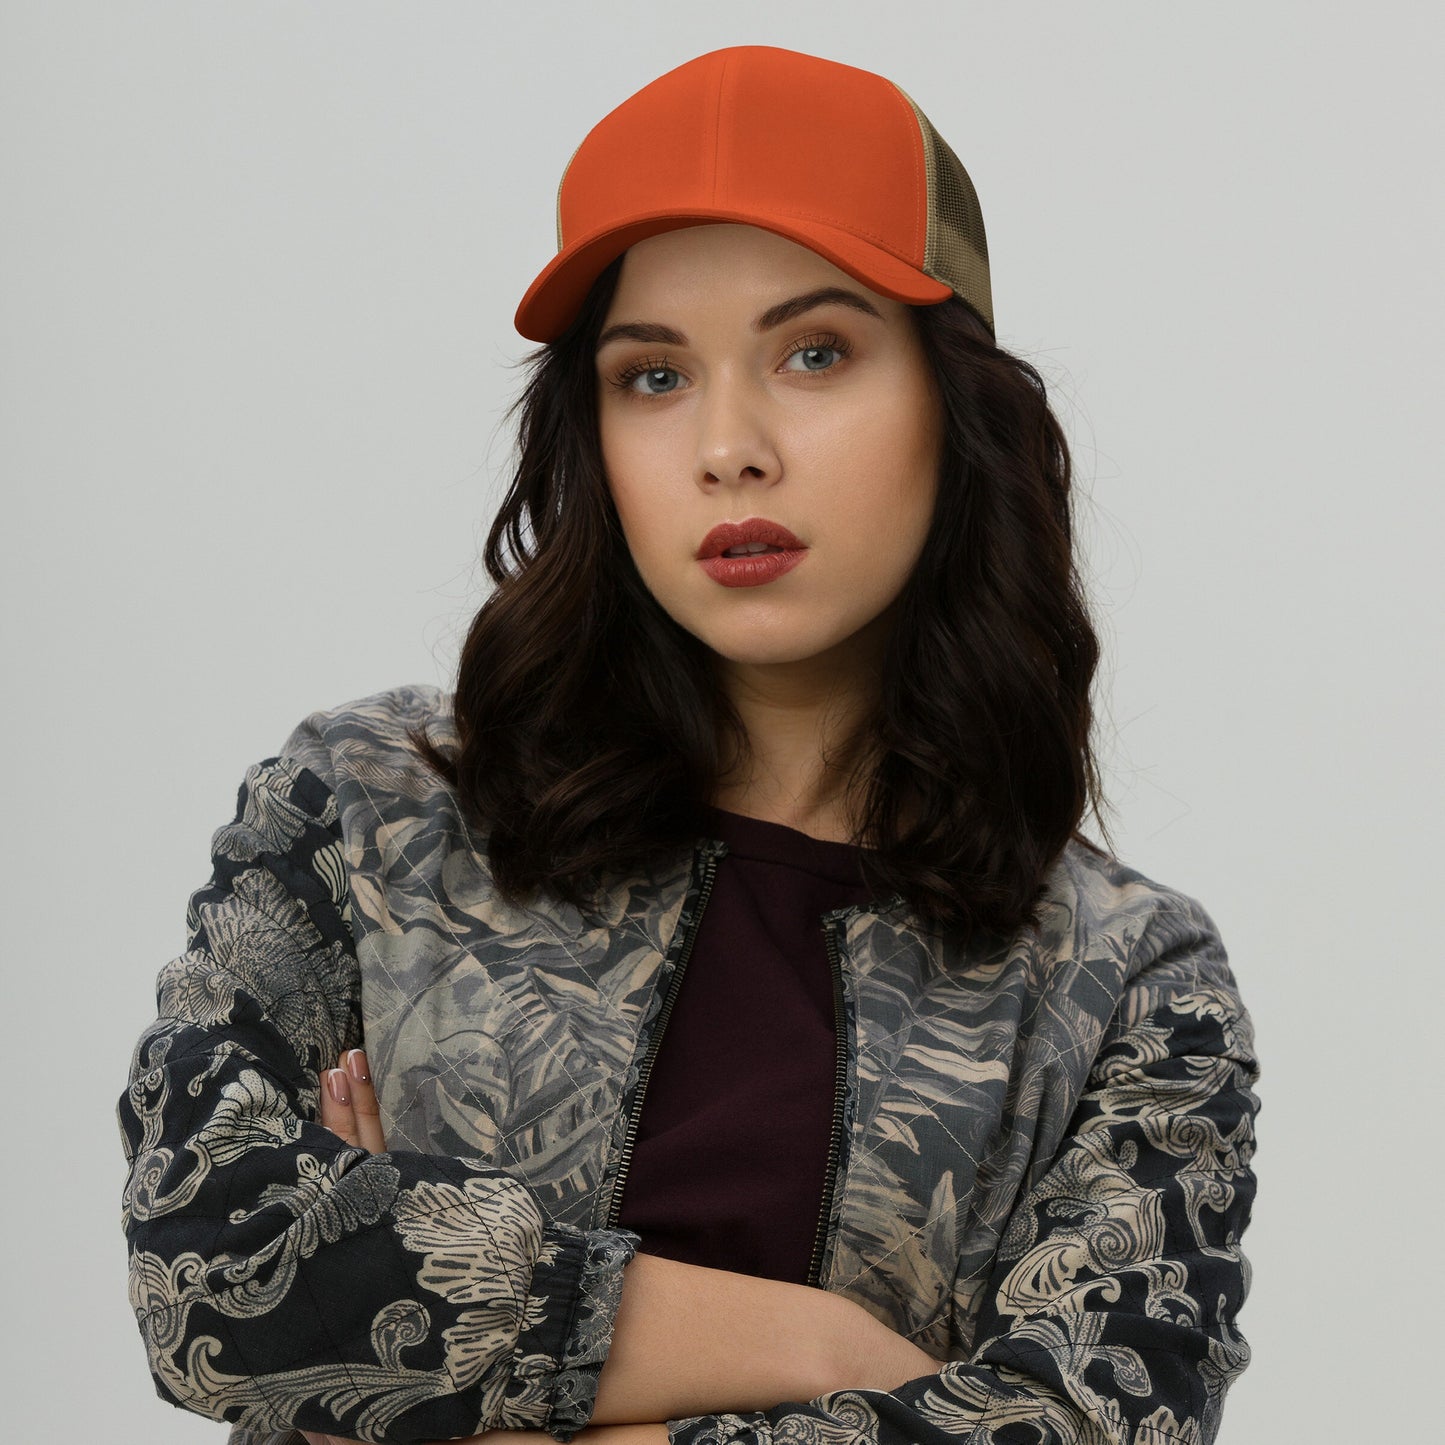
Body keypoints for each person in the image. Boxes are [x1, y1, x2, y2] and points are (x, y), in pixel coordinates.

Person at [117, 44, 1260, 1445]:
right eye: (651, 376)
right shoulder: (370, 813)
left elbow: (1092, 1422)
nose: (728, 445)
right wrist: (830, 1346)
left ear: (954, 408)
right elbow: (215, 1271)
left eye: (815, 352)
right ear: (588, 434)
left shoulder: (1121, 981)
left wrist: (454, 1370)